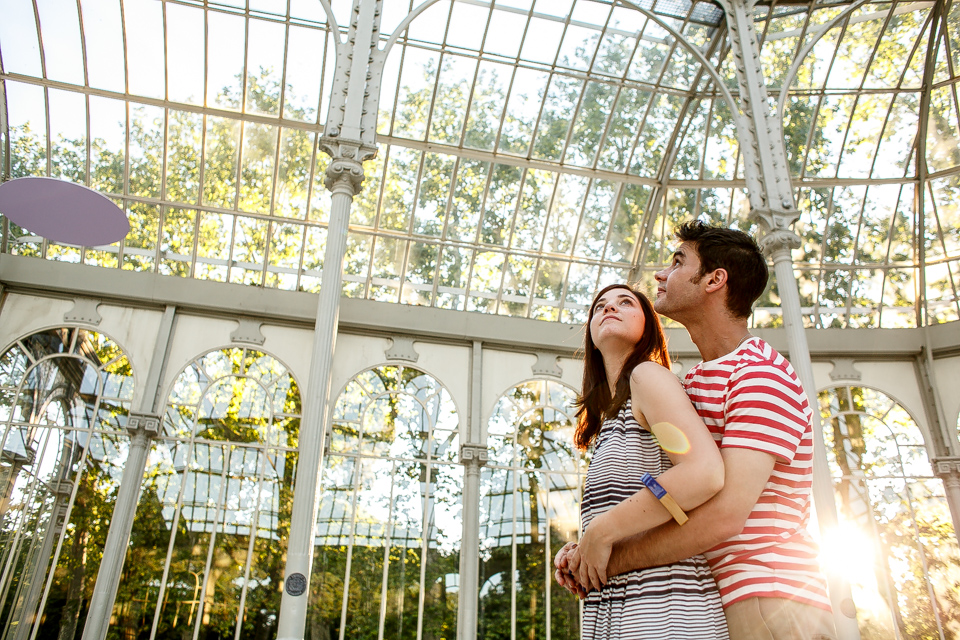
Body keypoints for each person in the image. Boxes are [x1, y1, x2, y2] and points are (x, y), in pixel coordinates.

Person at [556, 222, 837, 640]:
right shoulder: (692, 383)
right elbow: (663, 490)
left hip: (769, 596)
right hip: (715, 598)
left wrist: (606, 554)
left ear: (714, 280)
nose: (660, 275)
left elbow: (724, 513)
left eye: (677, 261)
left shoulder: (759, 374)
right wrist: (588, 547)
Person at [568, 282, 730, 639]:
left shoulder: (647, 376)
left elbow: (704, 472)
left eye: (625, 302)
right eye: (600, 306)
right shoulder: (609, 421)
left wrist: (601, 529)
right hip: (619, 609)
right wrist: (581, 550)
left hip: (666, 608)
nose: (609, 308)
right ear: (591, 335)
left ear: (649, 327)